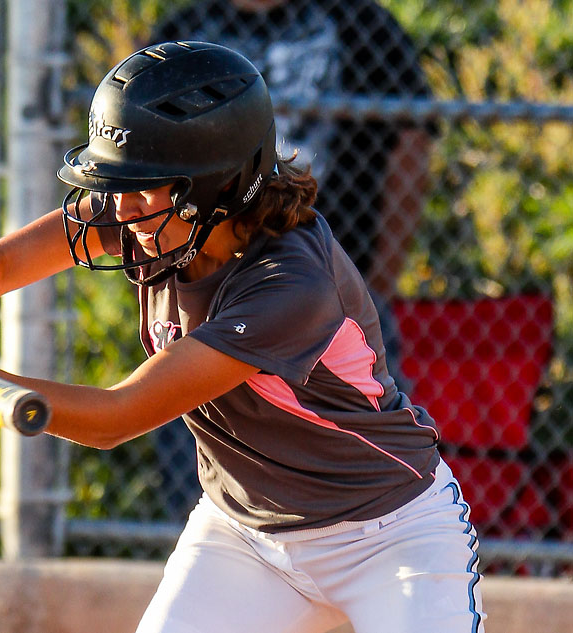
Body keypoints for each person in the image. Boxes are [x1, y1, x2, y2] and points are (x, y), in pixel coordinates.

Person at [0, 42, 484, 633]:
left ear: (217, 184)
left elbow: (117, 415)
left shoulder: (289, 285)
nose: (121, 208)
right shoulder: (157, 220)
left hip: (389, 536)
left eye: (144, 185)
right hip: (245, 535)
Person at [148, 0, 436, 518]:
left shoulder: (360, 23)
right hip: (203, 287)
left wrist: (382, 278)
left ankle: (366, 548)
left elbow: (412, 142)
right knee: (202, 466)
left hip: (328, 289)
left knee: (361, 446)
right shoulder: (187, 29)